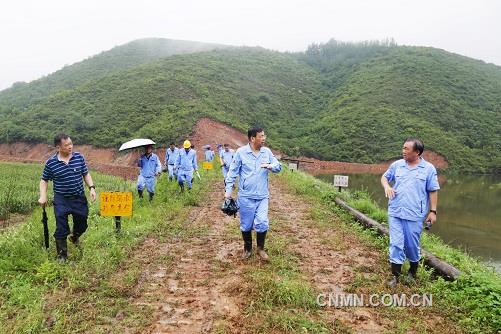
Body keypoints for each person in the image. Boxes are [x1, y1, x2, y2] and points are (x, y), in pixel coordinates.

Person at [381, 138, 439, 287]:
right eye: (403, 148)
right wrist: (387, 187)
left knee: (412, 246)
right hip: (395, 211)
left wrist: (433, 211)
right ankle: (395, 276)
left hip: (414, 214)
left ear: (417, 152)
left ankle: (412, 272)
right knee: (396, 243)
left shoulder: (428, 169)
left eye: (406, 149)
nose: (403, 151)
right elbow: (384, 178)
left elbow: (432, 190)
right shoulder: (397, 165)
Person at [224, 127, 282, 261]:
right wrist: (228, 192)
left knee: (262, 222)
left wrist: (270, 166)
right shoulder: (241, 153)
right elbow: (232, 172)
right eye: (261, 136)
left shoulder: (266, 152)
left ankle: (260, 249)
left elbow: (278, 166)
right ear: (252, 138)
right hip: (245, 196)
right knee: (246, 224)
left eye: (264, 136)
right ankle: (247, 249)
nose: (264, 138)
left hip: (262, 196)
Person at [38, 134, 97, 262]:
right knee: (61, 227)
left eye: (71, 143)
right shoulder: (51, 163)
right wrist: (43, 195)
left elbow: (85, 173)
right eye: (67, 145)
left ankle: (75, 236)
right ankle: (62, 256)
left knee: (82, 224)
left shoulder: (79, 157)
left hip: (78, 198)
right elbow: (44, 180)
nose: (70, 147)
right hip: (61, 200)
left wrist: (91, 188)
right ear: (58, 147)